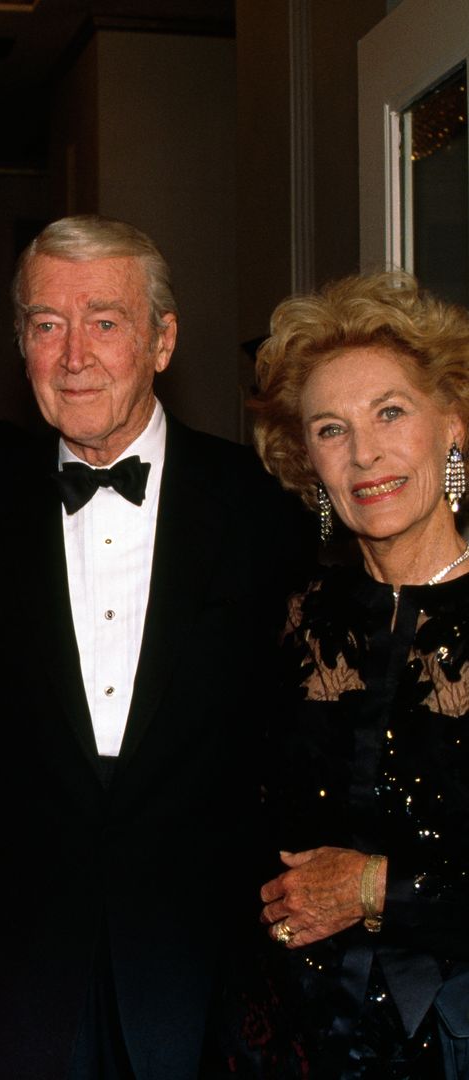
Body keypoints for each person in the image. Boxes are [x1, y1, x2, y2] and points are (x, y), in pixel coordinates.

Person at [0, 215, 311, 1079]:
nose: (72, 355)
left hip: (211, 970)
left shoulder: (266, 510)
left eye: (104, 321)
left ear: (163, 340)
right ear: (22, 347)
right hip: (17, 969)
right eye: (46, 326)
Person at [247, 270, 469, 1077]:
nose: (365, 452)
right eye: (330, 429)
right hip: (300, 1041)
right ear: (307, 460)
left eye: (390, 413)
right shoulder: (295, 615)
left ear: (454, 424)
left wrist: (378, 888)